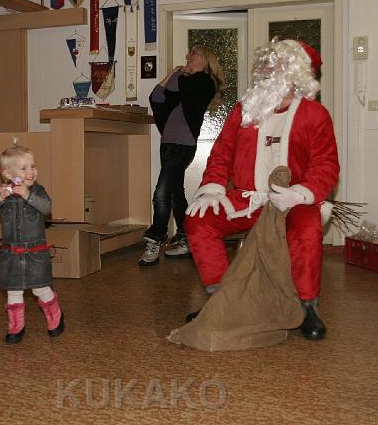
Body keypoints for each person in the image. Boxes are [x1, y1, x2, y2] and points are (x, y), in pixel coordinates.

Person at [184, 38, 339, 340]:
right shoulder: (245, 111)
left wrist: (301, 193)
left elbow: (326, 165)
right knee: (198, 220)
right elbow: (221, 154)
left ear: (294, 72)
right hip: (247, 199)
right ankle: (222, 299)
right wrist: (213, 189)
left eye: (275, 64)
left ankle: (306, 306)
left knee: (307, 225)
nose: (266, 70)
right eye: (265, 64)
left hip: (293, 201)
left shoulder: (314, 114)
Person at [139, 45, 225, 266]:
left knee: (161, 194)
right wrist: (172, 72)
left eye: (194, 54)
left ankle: (156, 238)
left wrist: (180, 74)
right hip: (167, 144)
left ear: (205, 60)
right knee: (175, 195)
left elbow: (184, 87)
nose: (188, 56)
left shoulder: (205, 82)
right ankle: (187, 239)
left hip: (183, 146)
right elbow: (157, 96)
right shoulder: (184, 80)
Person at [0, 143, 65, 344]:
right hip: (11, 254)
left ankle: (55, 316)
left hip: (35, 253)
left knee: (40, 288)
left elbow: (46, 208)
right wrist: (0, 198)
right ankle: (16, 327)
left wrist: (28, 196)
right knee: (14, 290)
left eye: (33, 166)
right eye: (24, 168)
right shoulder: (4, 192)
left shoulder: (38, 190)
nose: (31, 172)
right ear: (8, 174)